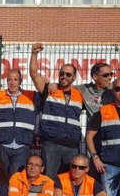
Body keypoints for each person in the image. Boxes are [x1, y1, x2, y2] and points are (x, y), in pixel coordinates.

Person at [29, 43, 84, 179]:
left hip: (71, 146)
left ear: (74, 78)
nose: (64, 77)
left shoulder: (80, 94)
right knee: (49, 178)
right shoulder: (49, 89)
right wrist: (34, 54)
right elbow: (34, 74)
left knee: (70, 180)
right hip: (51, 144)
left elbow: (102, 89)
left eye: (68, 74)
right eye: (62, 74)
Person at [0, 69, 40, 175]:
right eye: (9, 79)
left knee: (16, 178)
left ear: (20, 81)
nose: (12, 82)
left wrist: (48, 85)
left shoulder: (31, 96)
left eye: (15, 79)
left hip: (22, 145)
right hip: (3, 145)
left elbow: (45, 92)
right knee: (1, 177)